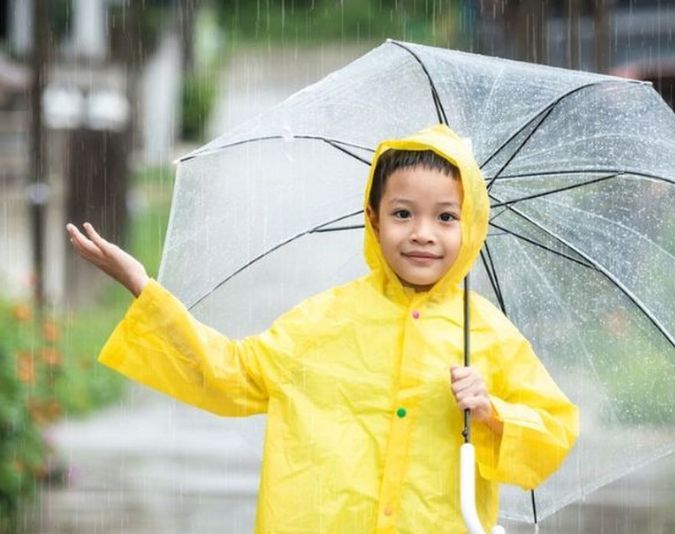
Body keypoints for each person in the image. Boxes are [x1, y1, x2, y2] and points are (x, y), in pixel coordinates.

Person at [66, 124, 578, 533]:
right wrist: (143, 288)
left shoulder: (487, 333)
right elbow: (232, 375)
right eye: (403, 213)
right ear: (374, 220)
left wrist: (492, 412)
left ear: (470, 226)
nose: (423, 234)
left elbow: (554, 429)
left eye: (446, 217)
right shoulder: (323, 320)